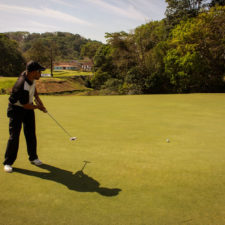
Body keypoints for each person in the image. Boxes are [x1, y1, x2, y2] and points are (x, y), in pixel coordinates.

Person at [3, 61, 47, 173]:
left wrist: (40, 103)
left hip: (27, 107)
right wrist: (38, 107)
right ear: (33, 72)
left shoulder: (30, 76)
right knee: (14, 136)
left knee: (31, 132)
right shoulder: (21, 84)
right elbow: (26, 105)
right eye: (39, 72)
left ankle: (33, 157)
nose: (40, 74)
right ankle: (8, 162)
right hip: (16, 109)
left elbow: (34, 92)